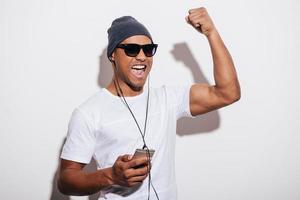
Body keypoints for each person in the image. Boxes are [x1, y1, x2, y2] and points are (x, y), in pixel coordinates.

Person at [57, 7, 241, 200]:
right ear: (112, 55)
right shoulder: (89, 112)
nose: (142, 56)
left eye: (148, 49)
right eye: (131, 49)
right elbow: (66, 180)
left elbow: (228, 93)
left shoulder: (167, 99)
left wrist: (211, 32)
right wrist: (111, 175)